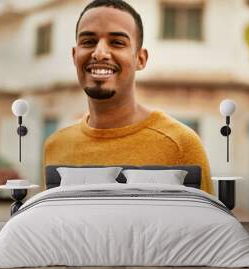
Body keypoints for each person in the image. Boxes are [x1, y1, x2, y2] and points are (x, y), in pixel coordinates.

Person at [43, 0, 214, 194]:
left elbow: (205, 221)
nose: (99, 53)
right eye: (88, 42)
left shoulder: (181, 144)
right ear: (75, 55)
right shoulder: (56, 145)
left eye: (117, 42)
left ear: (140, 59)